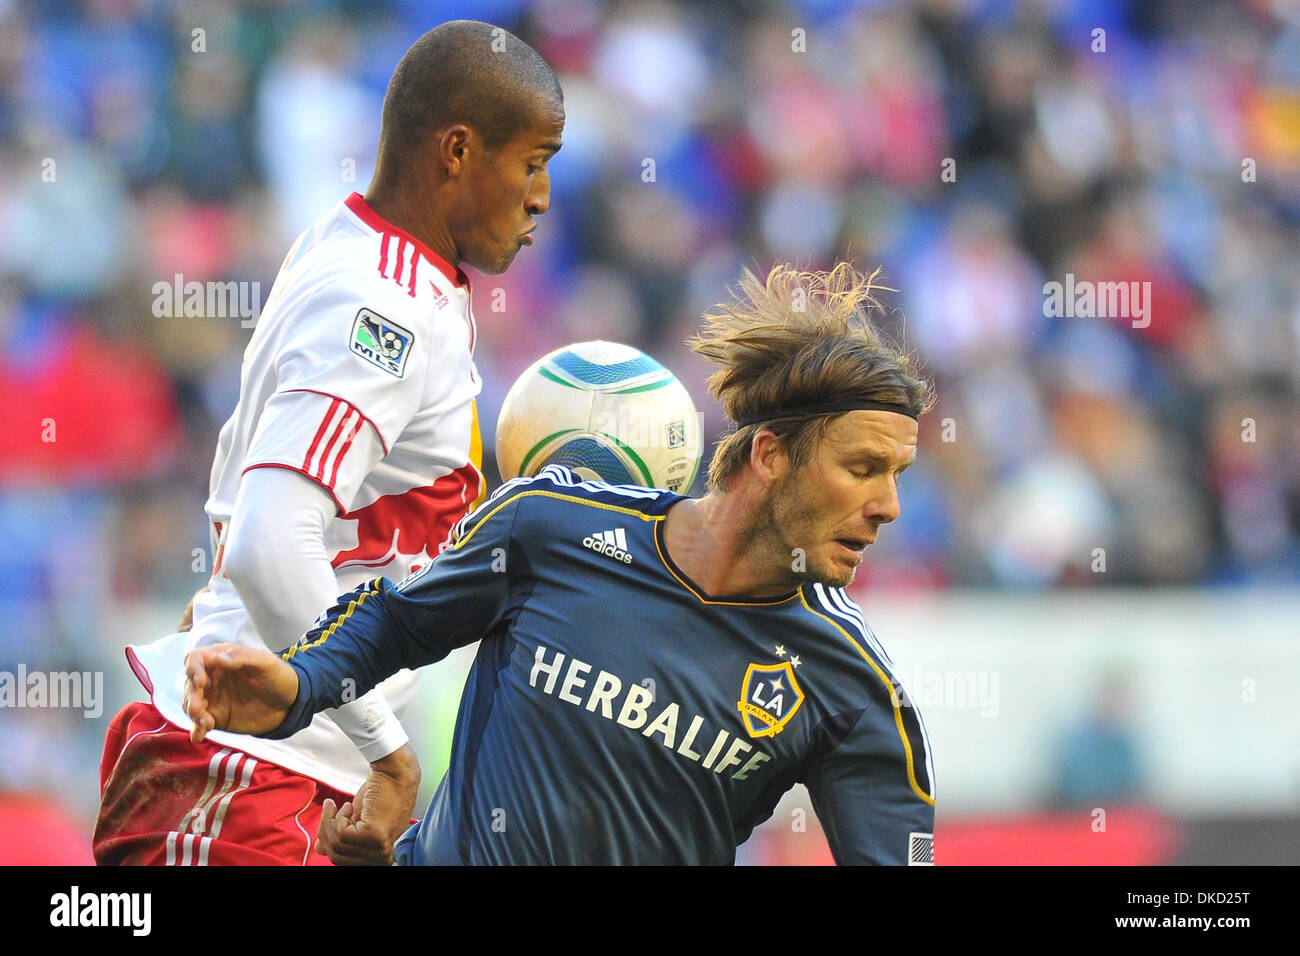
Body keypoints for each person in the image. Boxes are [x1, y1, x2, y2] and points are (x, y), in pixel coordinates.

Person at [184, 262, 938, 866]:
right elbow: (393, 620)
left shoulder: (852, 687)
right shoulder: (551, 525)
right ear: (770, 455)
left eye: (896, 475)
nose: (888, 506)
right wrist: (300, 684)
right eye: (865, 467)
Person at [93, 20, 565, 866]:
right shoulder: (381, 309)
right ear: (457, 150)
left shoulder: (363, 256)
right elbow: (272, 541)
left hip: (282, 779)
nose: (541, 197)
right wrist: (387, 752)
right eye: (532, 162)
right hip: (242, 780)